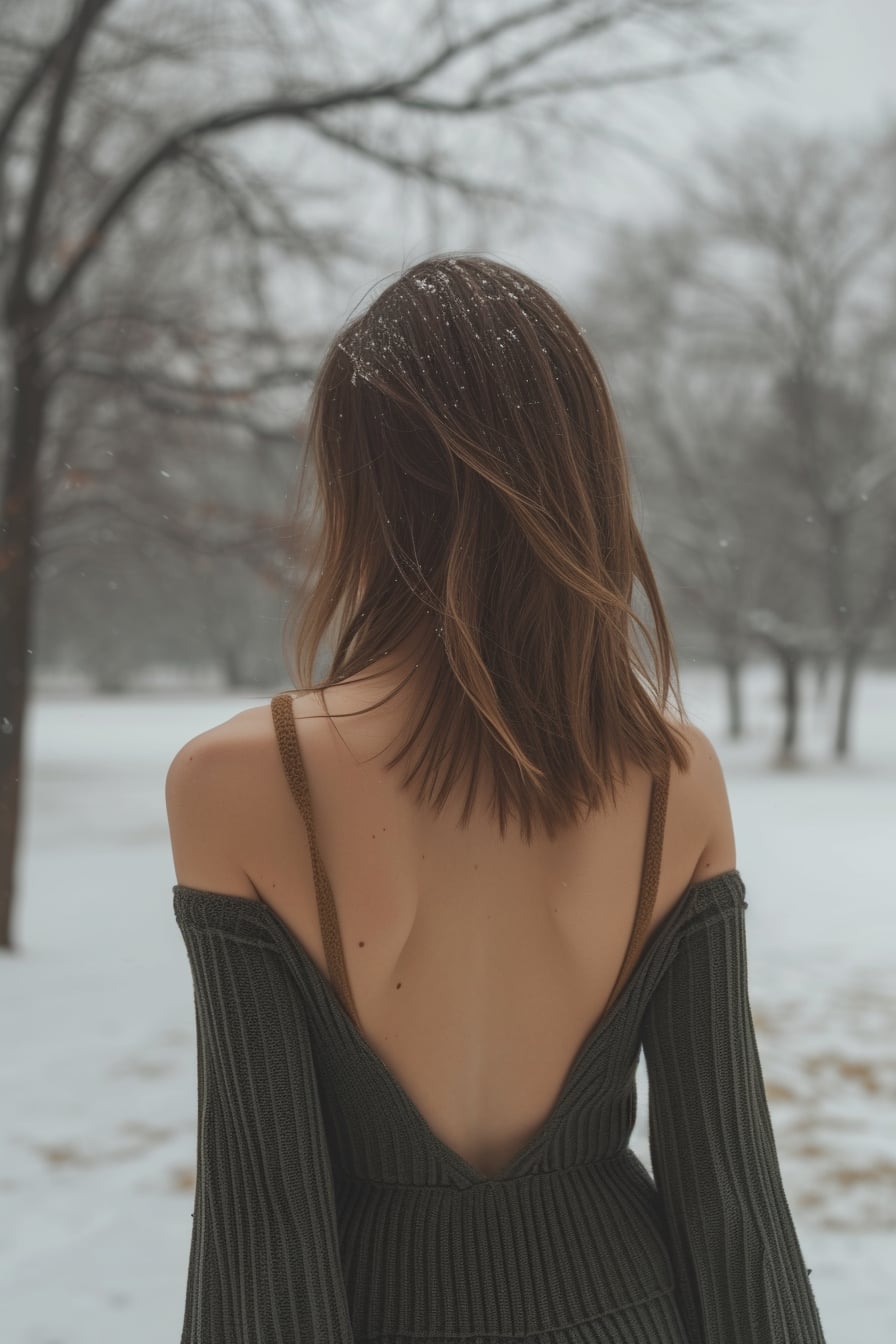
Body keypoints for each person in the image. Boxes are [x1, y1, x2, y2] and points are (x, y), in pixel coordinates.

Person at [165, 253, 826, 1342]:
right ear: (580, 471)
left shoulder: (240, 781)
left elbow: (261, 1228)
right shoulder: (671, 777)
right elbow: (731, 1201)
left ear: (359, 480)